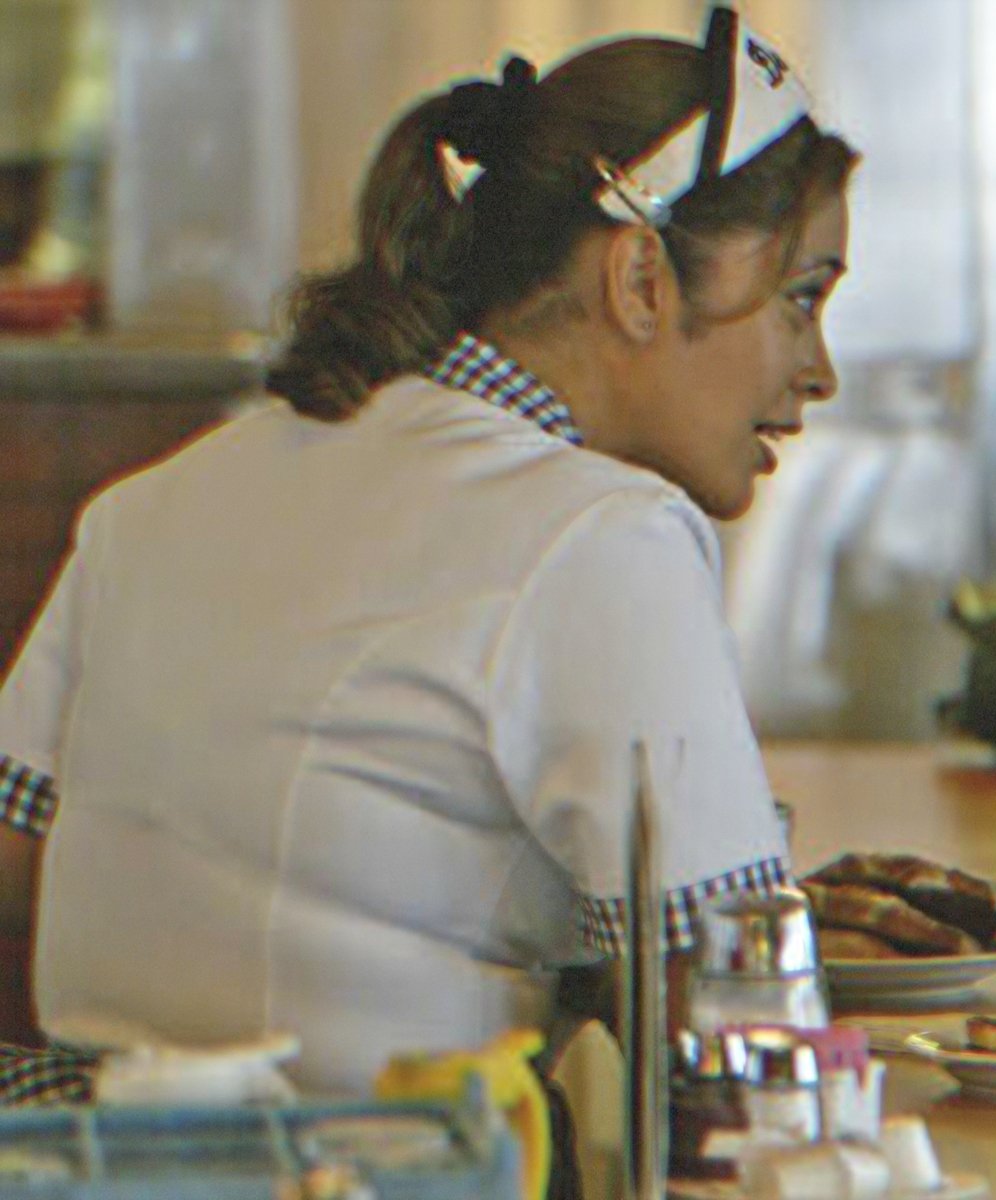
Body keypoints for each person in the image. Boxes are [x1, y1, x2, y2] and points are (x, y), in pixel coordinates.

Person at [0, 6, 855, 1099]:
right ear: (641, 280)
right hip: (373, 1163)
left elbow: (23, 862)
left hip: (78, 1152)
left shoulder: (154, 498)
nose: (818, 368)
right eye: (800, 300)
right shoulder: (603, 537)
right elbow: (740, 1022)